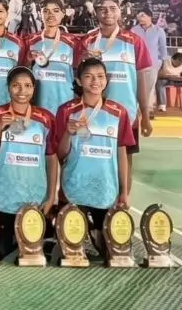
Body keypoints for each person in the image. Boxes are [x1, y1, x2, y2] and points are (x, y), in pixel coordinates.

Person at [55, 58, 133, 256]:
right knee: (71, 251)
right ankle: (82, 227)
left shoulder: (119, 113)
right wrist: (67, 133)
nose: (95, 81)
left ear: (106, 80)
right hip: (74, 188)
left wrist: (124, 191)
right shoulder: (66, 111)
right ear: (79, 81)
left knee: (109, 252)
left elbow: (122, 154)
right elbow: (60, 154)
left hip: (105, 189)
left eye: (100, 76)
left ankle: (93, 228)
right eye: (88, 77)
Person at [79, 0, 152, 195]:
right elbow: (78, 80)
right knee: (92, 157)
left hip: (126, 114)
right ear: (95, 12)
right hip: (93, 114)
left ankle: (122, 202)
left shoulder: (134, 41)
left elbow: (141, 81)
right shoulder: (87, 41)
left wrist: (145, 116)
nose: (108, 13)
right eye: (102, 9)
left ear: (120, 11)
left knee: (125, 160)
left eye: (112, 8)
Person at [0, 67, 57, 259]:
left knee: (32, 255)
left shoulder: (46, 119)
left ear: (34, 88)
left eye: (27, 86)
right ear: (8, 87)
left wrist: (51, 197)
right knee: (2, 253)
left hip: (35, 197)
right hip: (3, 198)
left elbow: (51, 158)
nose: (22, 91)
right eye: (16, 85)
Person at [24, 0, 80, 116]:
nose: (51, 15)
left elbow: (78, 77)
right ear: (39, 14)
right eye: (46, 11)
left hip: (65, 106)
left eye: (56, 11)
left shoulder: (74, 42)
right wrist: (27, 61)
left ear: (63, 13)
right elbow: (22, 73)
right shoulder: (30, 41)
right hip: (38, 106)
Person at [130, 8, 168, 114]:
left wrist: (162, 62)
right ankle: (137, 108)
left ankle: (149, 109)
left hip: (153, 63)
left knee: (150, 86)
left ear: (149, 16)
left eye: (142, 15)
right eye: (139, 16)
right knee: (137, 86)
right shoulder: (134, 30)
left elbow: (163, 48)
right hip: (136, 63)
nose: (140, 18)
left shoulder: (159, 31)